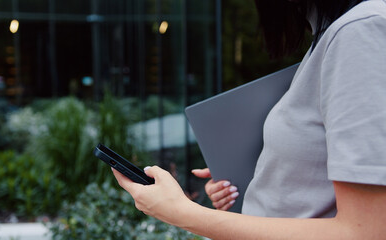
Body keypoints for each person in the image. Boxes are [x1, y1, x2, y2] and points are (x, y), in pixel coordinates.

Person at [113, 0, 386, 238]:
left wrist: (182, 213)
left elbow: (365, 232)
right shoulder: (331, 36)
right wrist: (253, 179)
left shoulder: (361, 29)